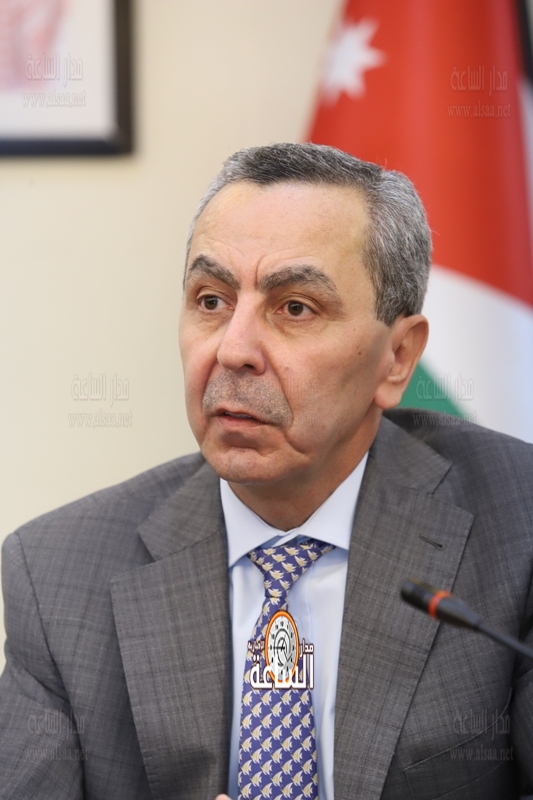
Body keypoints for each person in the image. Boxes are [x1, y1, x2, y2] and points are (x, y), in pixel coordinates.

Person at [1, 143, 532, 800]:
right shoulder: (57, 572)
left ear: (396, 357)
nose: (233, 349)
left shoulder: (517, 525)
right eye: (210, 300)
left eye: (294, 308)